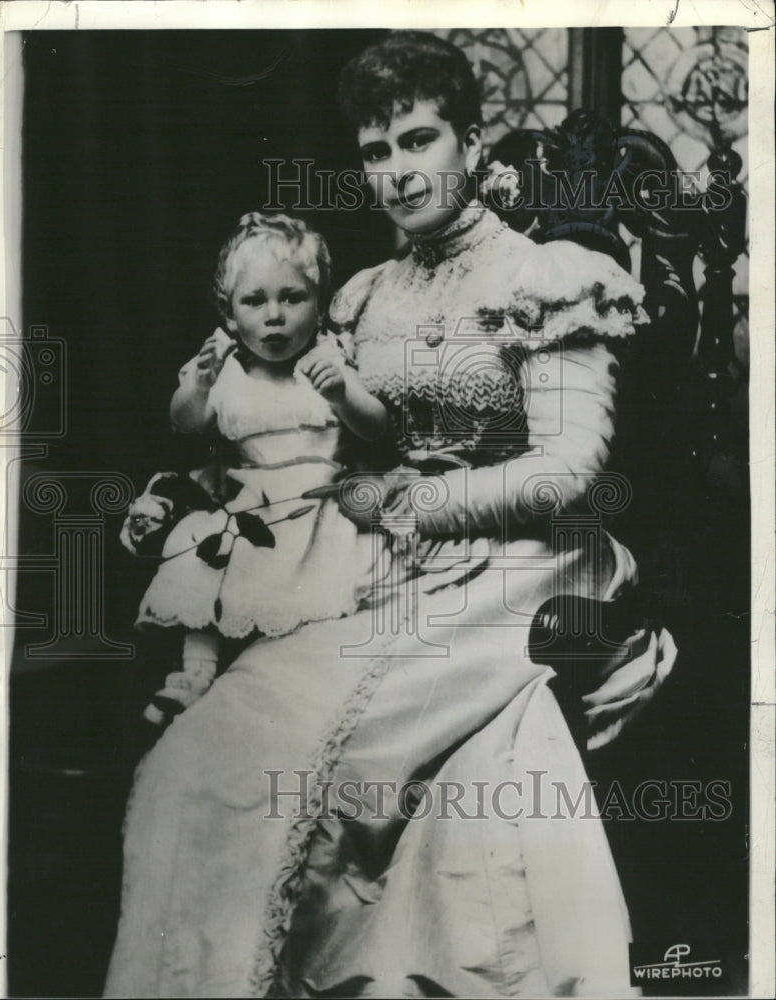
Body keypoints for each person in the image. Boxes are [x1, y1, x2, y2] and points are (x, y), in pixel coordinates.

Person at [104, 31, 676, 999]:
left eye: (418, 140)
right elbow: (296, 437)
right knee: (215, 741)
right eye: (375, 151)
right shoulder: (363, 295)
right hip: (380, 559)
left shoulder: (545, 277)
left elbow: (570, 464)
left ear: (472, 139)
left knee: (340, 752)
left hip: (530, 560)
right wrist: (190, 491)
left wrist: (415, 502)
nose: (397, 172)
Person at [119, 212, 387, 724]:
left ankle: (285, 681)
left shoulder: (330, 360)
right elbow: (187, 424)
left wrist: (342, 393)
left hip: (315, 505)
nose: (275, 316)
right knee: (204, 561)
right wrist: (196, 387)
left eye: (292, 298)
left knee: (306, 600)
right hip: (248, 506)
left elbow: (375, 426)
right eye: (255, 301)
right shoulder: (228, 373)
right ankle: (195, 674)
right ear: (229, 315)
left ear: (318, 305)